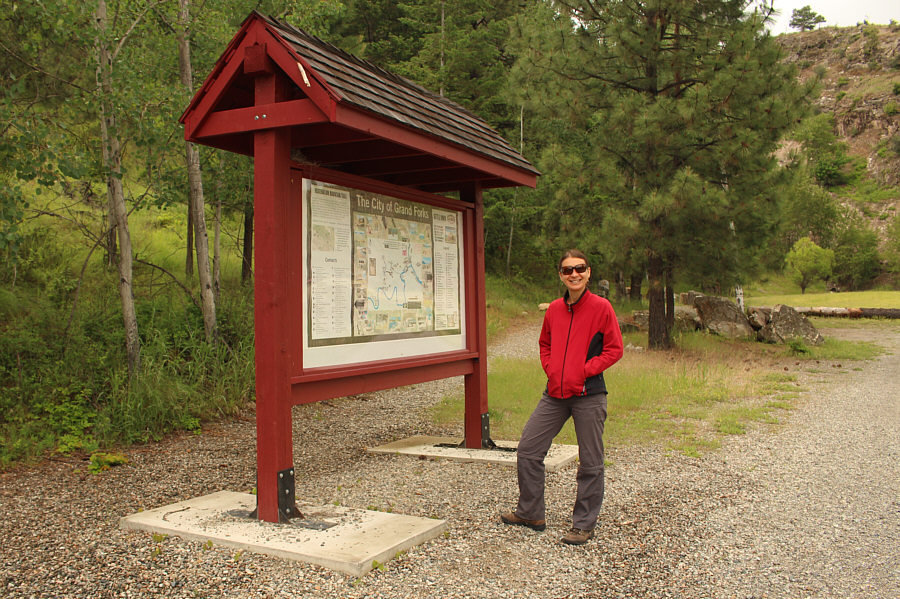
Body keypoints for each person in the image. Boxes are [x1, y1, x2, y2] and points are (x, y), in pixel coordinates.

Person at [501, 249, 624, 545]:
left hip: (589, 394)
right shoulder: (554, 309)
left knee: (591, 462)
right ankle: (531, 513)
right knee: (528, 449)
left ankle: (583, 524)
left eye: (579, 268)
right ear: (561, 275)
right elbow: (545, 343)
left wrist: (584, 371)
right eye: (568, 270)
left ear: (589, 272)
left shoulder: (602, 308)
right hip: (554, 394)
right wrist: (552, 368)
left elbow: (614, 349)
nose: (574, 274)